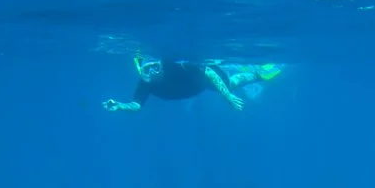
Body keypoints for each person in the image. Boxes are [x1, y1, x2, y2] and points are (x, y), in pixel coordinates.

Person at [103, 55, 282, 113]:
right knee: (231, 84)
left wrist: (227, 96)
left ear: (161, 64)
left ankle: (258, 73)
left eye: (155, 67)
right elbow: (137, 104)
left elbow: (208, 72)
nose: (152, 73)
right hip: (195, 89)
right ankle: (252, 72)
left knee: (232, 83)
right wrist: (120, 106)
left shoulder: (175, 67)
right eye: (146, 70)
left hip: (204, 79)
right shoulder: (145, 84)